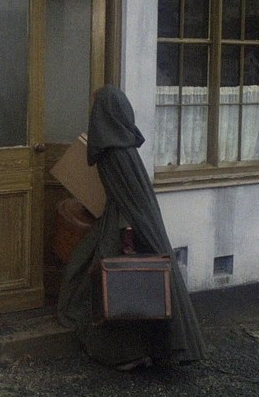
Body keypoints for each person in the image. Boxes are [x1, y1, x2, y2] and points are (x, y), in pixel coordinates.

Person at [57, 85, 205, 370]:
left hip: (125, 225)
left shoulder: (114, 151)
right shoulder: (122, 147)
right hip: (130, 221)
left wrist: (125, 233)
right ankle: (142, 350)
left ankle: (124, 353)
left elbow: (127, 198)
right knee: (114, 280)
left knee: (116, 285)